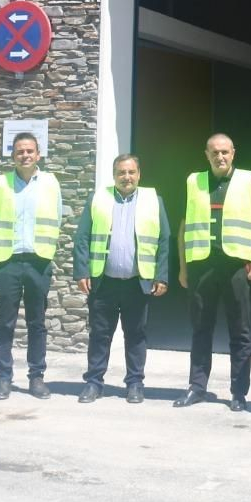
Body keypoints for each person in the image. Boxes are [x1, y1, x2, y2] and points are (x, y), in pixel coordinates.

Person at [174, 133, 251, 412]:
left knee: (240, 331)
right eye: (215, 152)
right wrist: (182, 267)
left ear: (233, 153)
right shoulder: (193, 182)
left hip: (235, 267)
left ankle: (239, 393)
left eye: (225, 152)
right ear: (206, 154)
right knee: (200, 329)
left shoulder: (249, 181)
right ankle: (197, 387)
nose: (220, 157)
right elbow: (183, 227)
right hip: (201, 265)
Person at [73, 153, 173, 403]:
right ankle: (94, 383)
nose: (126, 177)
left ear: (139, 174)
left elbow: (164, 240)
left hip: (137, 282)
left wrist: (161, 275)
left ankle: (135, 383)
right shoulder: (99, 199)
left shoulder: (153, 200)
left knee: (136, 334)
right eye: (121, 172)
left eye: (131, 172)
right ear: (114, 175)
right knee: (100, 334)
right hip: (103, 282)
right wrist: (82, 271)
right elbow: (82, 237)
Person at [0, 131, 63, 400]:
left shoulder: (51, 183)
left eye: (29, 151)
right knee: (5, 322)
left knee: (37, 322)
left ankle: (36, 377)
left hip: (38, 261)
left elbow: (58, 217)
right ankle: (4, 378)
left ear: (38, 154)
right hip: (8, 261)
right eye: (20, 151)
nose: (25, 155)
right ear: (13, 155)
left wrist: (46, 252)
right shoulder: (1, 183)